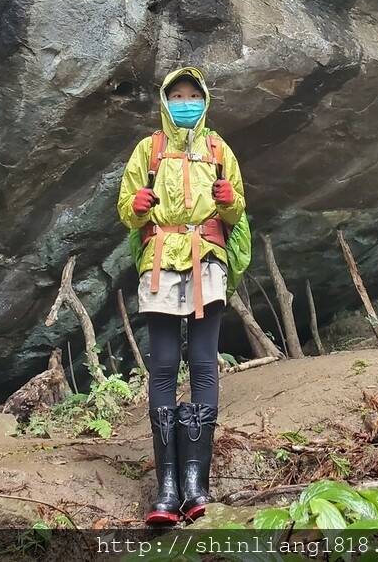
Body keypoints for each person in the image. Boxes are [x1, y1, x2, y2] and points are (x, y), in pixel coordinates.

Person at [117, 67, 246, 524]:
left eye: (193, 95)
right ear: (164, 100)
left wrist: (229, 198)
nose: (185, 101)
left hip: (206, 258)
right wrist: (134, 207)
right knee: (165, 365)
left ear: (205, 99)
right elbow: (126, 208)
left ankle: (196, 484)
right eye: (177, 95)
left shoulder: (218, 148)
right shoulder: (148, 149)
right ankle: (166, 489)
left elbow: (236, 208)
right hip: (159, 262)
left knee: (206, 363)